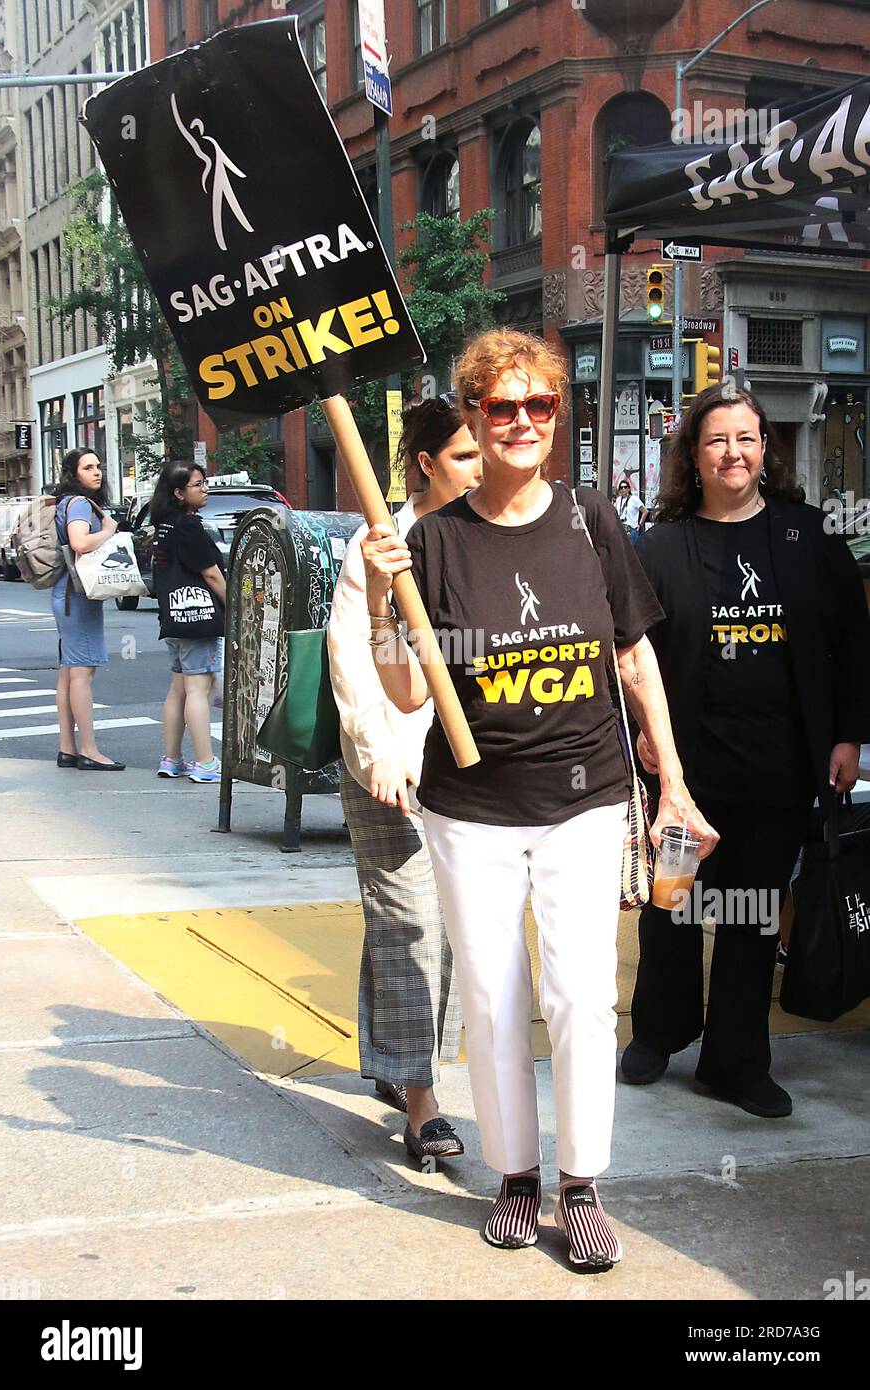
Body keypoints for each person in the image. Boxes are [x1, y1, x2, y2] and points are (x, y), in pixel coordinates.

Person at [360, 330, 717, 1270]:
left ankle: (581, 1183)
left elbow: (634, 657)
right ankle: (515, 1176)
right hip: (468, 809)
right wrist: (374, 593)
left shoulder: (590, 519)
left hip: (587, 798)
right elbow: (405, 693)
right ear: (473, 417)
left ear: (558, 416)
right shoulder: (432, 541)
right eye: (501, 407)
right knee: (489, 994)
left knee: (581, 997)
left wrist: (671, 779)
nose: (521, 423)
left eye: (540, 406)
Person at [623, 382, 870, 1118]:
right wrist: (644, 727)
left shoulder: (809, 535)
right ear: (693, 457)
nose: (732, 452)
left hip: (778, 764)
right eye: (716, 441)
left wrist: (847, 734)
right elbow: (635, 650)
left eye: (745, 439)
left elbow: (851, 641)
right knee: (670, 904)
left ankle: (734, 1061)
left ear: (765, 451)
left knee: (753, 914)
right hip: (684, 772)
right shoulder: (660, 545)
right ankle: (658, 1035)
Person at [327, 398, 481, 1161]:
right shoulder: (381, 543)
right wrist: (377, 749)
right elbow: (352, 655)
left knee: (422, 923)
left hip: (469, 772)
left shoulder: (484, 537)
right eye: (463, 455)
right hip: (392, 765)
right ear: (425, 463)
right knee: (412, 923)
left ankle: (394, 1065)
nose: (481, 467)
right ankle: (420, 1098)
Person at [150, 461, 226, 784]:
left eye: (205, 482)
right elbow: (211, 572)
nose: (205, 488)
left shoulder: (163, 523)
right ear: (179, 492)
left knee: (178, 688)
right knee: (200, 688)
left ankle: (172, 758)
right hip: (197, 617)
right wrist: (233, 605)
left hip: (173, 617)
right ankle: (205, 762)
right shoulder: (187, 525)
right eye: (197, 485)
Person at [52, 447, 125, 771]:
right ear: (73, 473)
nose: (97, 472)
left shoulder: (66, 502)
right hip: (77, 595)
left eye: (98, 466)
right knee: (82, 672)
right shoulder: (80, 503)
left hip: (66, 592)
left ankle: (67, 748)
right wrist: (109, 530)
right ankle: (89, 750)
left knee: (70, 672)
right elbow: (80, 542)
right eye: (88, 467)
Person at [614, 478, 647, 543]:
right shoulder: (618, 500)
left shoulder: (634, 499)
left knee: (632, 549)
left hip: (631, 528)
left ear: (628, 489)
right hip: (621, 527)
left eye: (625, 487)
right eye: (621, 487)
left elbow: (645, 511)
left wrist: (640, 524)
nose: (623, 489)